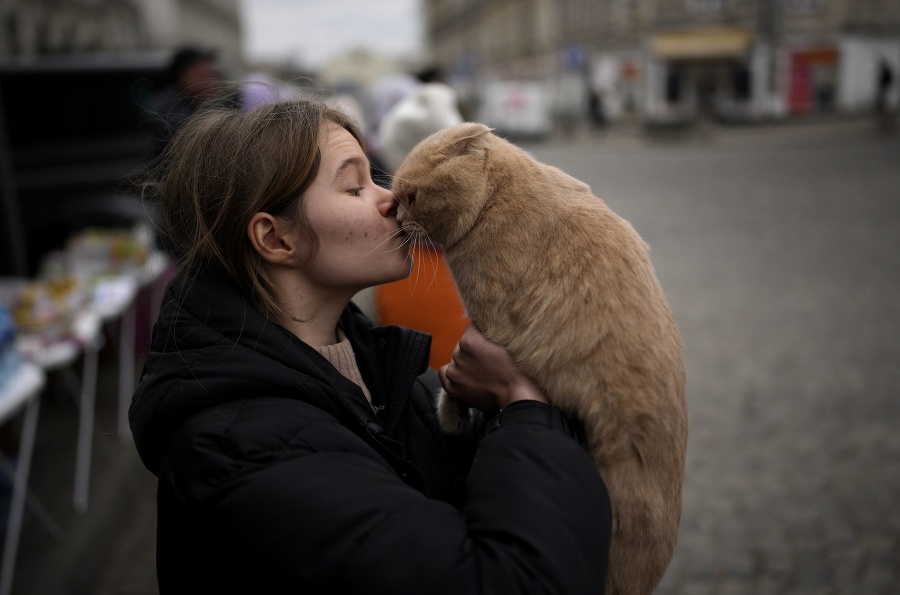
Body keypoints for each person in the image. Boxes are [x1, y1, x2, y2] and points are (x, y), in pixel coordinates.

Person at [129, 94, 612, 593]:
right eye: (356, 186)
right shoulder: (242, 450)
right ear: (276, 240)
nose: (391, 199)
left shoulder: (375, 375)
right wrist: (524, 403)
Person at [145, 46, 225, 158]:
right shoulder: (170, 111)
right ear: (184, 75)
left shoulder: (205, 105)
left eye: (214, 75)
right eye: (204, 76)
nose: (213, 83)